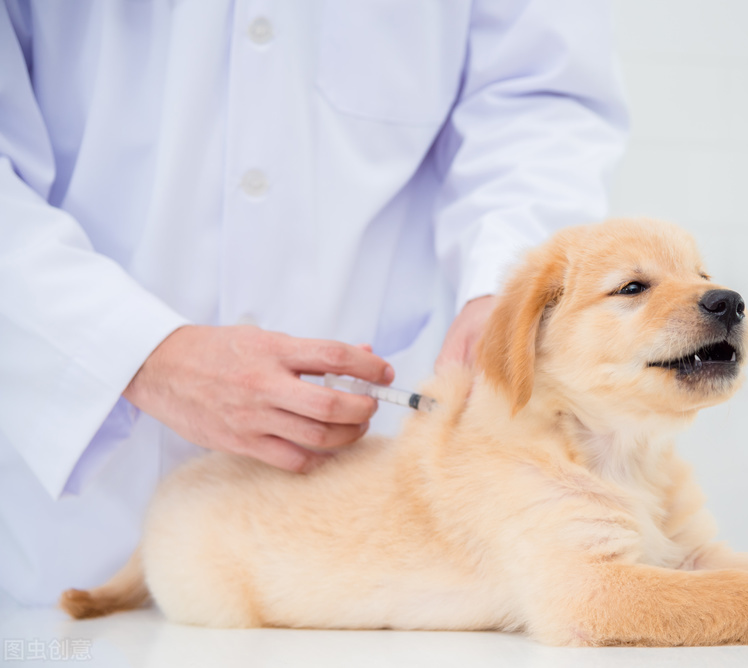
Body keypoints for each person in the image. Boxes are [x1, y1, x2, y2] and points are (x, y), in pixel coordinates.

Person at [0, 0, 628, 606]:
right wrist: (137, 353)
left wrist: (506, 289)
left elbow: (538, 96)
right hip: (80, 509)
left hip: (397, 538)